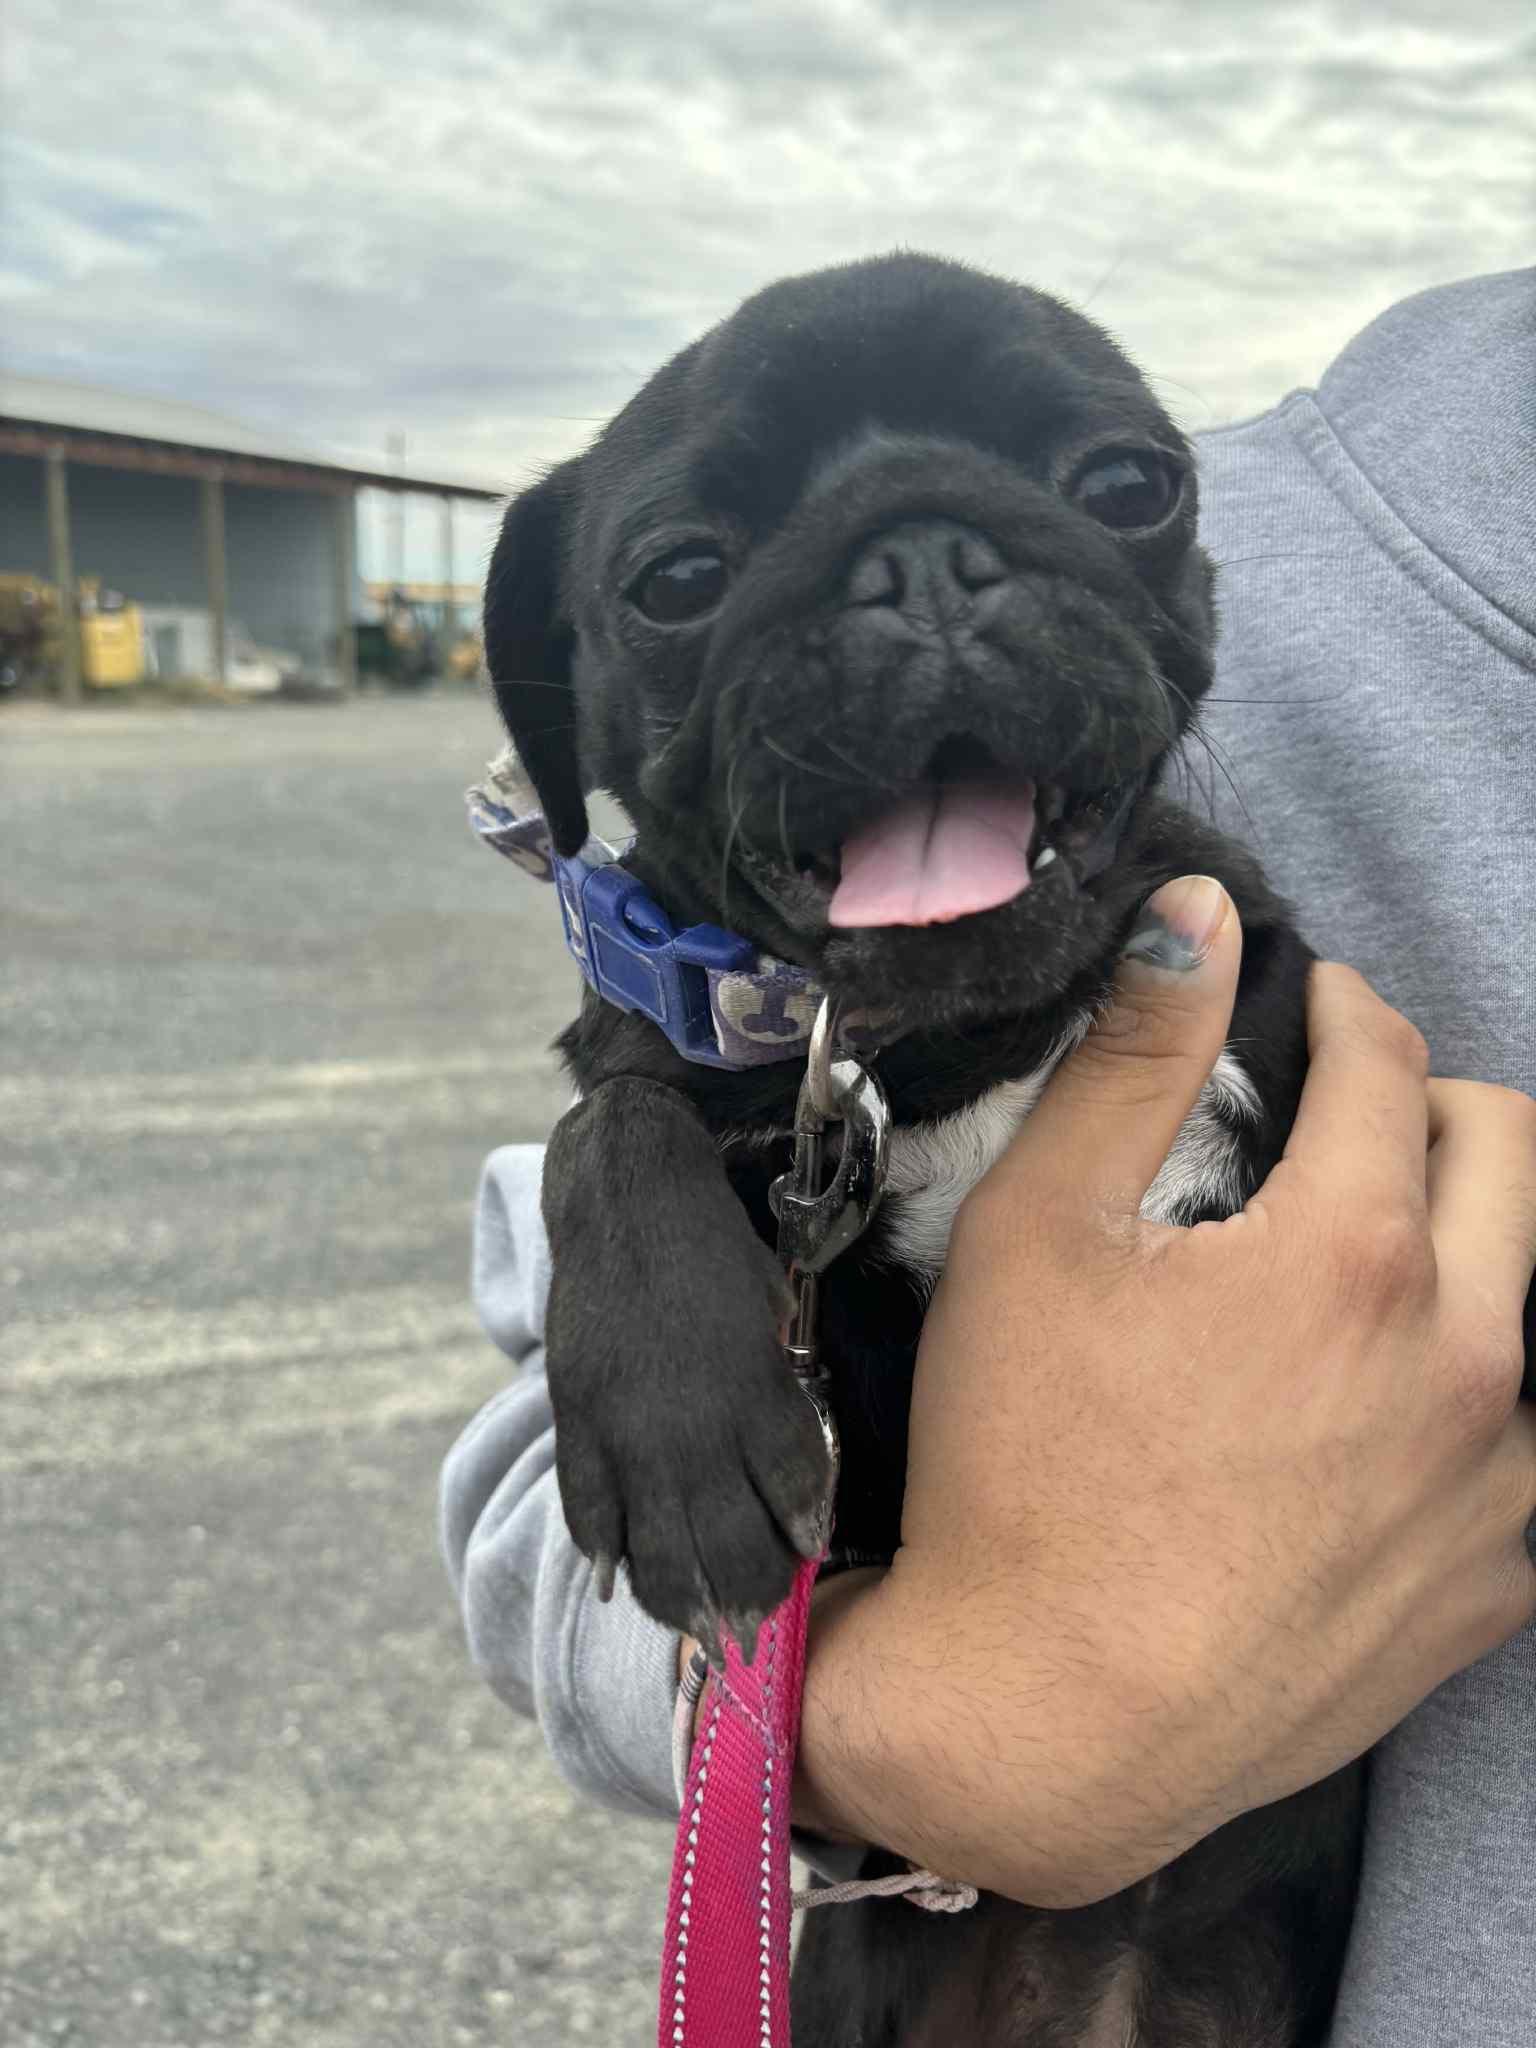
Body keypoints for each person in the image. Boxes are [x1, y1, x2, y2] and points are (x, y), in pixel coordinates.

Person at [440, 266, 1536, 2044]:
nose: (920, 596)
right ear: (558, 697)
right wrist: (932, 1729)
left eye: (1111, 495)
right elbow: (556, 1517)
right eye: (689, 580)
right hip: (933, 1960)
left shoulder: (1247, 941)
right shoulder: (698, 1071)